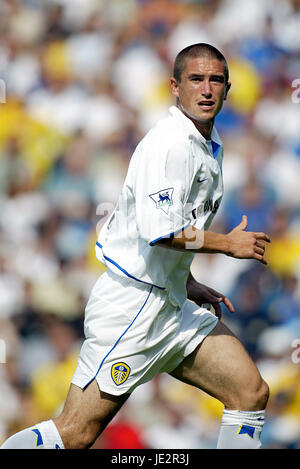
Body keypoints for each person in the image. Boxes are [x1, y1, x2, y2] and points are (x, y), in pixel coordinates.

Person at [1, 43, 270, 450]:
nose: (207, 89)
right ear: (175, 87)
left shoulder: (206, 143)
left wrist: (188, 279)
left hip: (173, 304)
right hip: (132, 306)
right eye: (196, 79)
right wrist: (227, 245)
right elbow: (159, 231)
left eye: (216, 80)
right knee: (75, 433)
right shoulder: (170, 145)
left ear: (229, 89)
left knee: (250, 393)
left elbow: (175, 227)